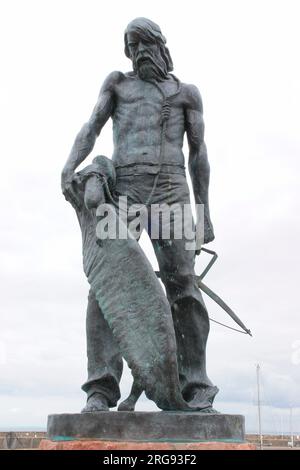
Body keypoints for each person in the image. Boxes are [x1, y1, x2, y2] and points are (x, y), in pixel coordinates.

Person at [61, 17, 218, 412]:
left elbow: (199, 156)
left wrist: (205, 215)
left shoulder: (187, 94)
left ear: (162, 46)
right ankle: (101, 388)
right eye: (133, 46)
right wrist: (69, 166)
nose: (140, 52)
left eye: (147, 44)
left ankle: (195, 384)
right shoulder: (117, 84)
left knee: (184, 286)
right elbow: (91, 126)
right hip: (126, 191)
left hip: (172, 192)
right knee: (106, 287)